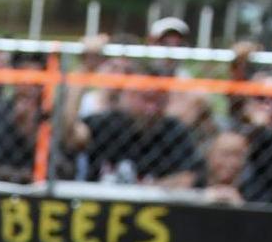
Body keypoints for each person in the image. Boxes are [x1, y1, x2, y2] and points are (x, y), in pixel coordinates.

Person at [67, 60, 199, 188]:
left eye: (159, 101)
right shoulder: (104, 123)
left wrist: (145, 192)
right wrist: (84, 70)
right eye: (146, 99)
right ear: (129, 94)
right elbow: (70, 136)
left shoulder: (174, 131)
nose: (151, 109)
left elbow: (187, 178)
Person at [198, 130, 250, 203]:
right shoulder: (193, 184)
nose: (232, 162)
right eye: (225, 154)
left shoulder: (252, 191)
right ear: (209, 155)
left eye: (238, 156)